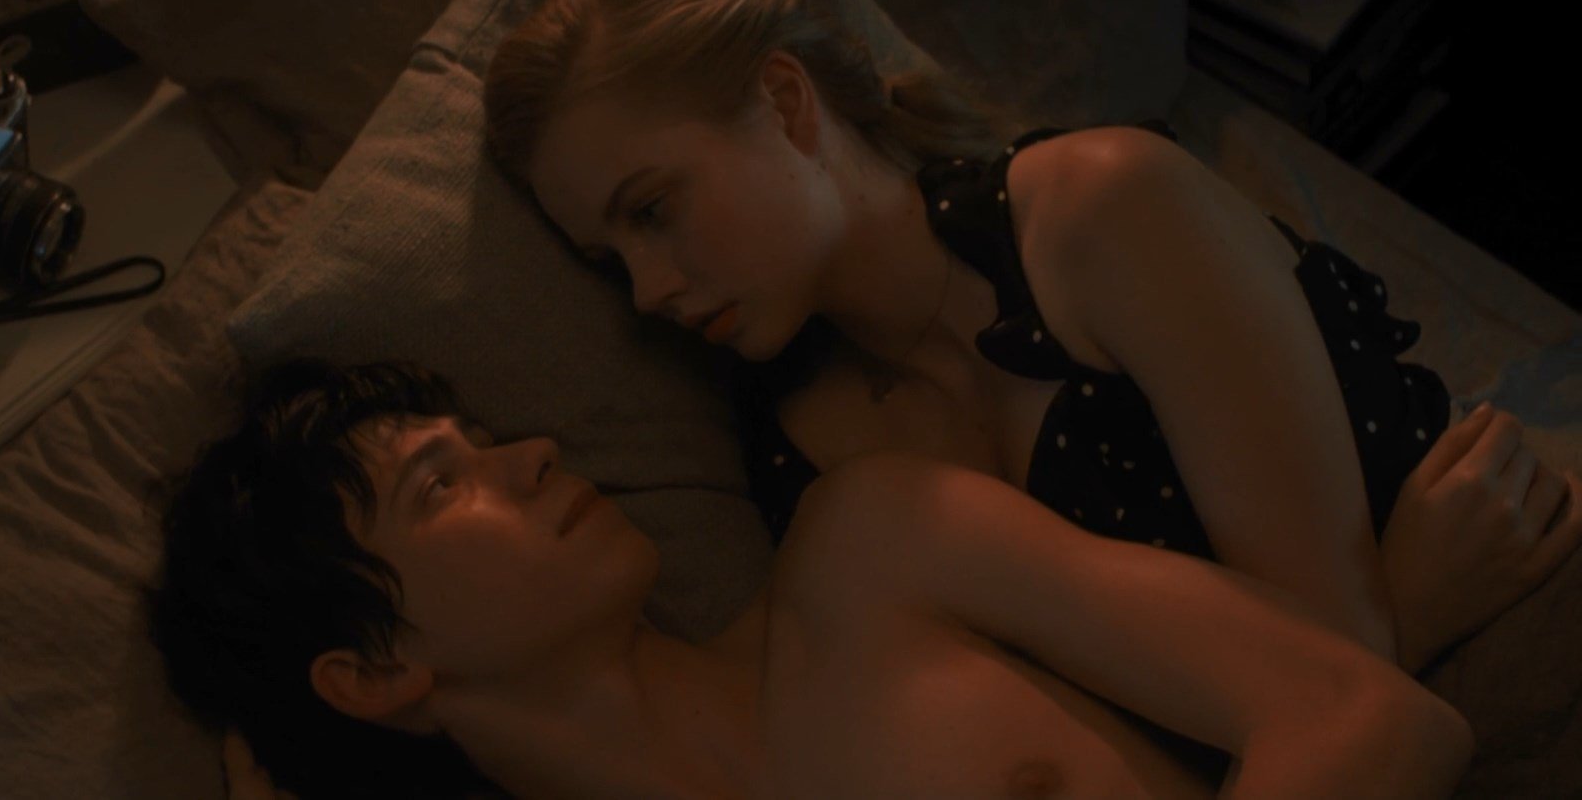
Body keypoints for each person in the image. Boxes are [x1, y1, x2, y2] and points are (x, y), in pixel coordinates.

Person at [480, 0, 1581, 675]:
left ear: (784, 102)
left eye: (652, 210)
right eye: (609, 259)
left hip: (1536, 616)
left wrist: (1378, 642)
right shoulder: (803, 466)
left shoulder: (1102, 210)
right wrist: (1415, 604)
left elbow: (1331, 662)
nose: (647, 292)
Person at [149, 359, 1558, 798]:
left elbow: (1372, 720)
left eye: (486, 439)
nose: (530, 455)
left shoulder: (874, 550)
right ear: (376, 672)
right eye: (440, 485)